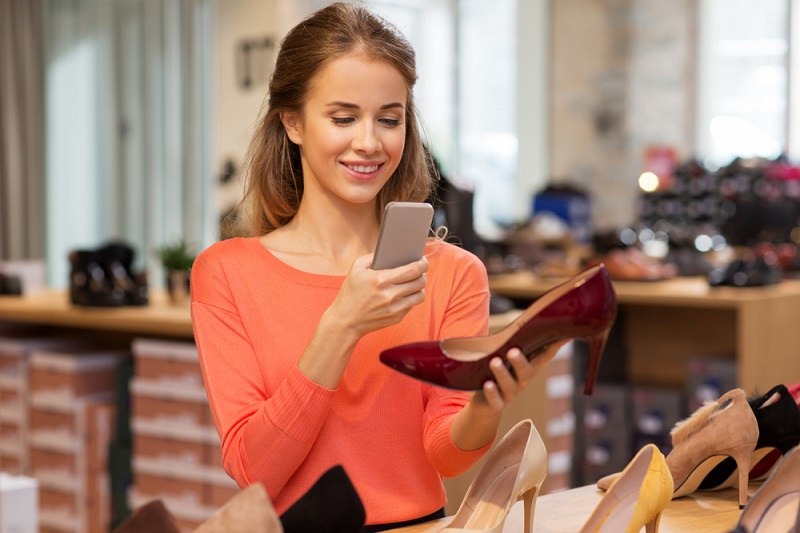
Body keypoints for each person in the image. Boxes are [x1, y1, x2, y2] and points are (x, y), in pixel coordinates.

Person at [190, 3, 543, 530]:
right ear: (292, 122)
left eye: (389, 118)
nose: (369, 142)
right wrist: (342, 325)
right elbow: (253, 470)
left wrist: (487, 406)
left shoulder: (453, 274)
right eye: (343, 117)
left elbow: (445, 454)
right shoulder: (226, 272)